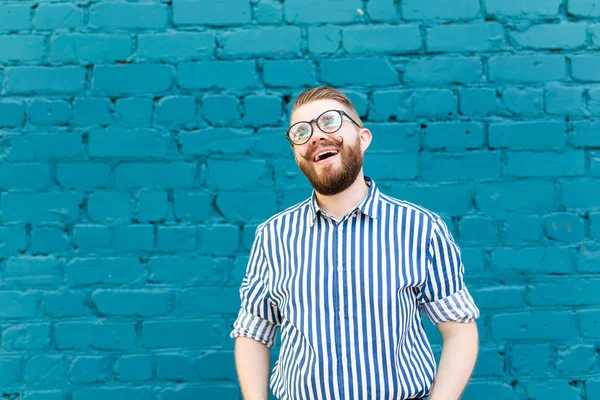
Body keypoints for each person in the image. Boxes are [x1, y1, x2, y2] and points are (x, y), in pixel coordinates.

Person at [230, 86, 480, 400]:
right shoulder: (273, 236)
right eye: (301, 131)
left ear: (363, 138)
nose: (316, 136)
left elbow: (459, 331)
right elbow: (254, 330)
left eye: (330, 122)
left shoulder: (420, 228)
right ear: (296, 154)